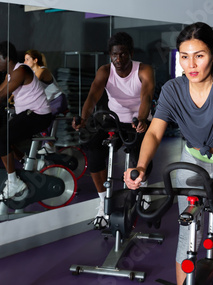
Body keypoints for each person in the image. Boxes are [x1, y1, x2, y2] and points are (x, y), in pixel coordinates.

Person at [123, 22, 213, 285]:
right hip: (193, 159)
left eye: (199, 55)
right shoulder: (173, 90)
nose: (191, 64)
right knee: (188, 231)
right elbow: (153, 133)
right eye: (185, 57)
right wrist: (140, 167)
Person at [72, 32, 155, 229]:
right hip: (115, 121)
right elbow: (93, 95)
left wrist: (142, 119)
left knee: (141, 156)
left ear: (131, 53)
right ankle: (103, 201)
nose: (119, 59)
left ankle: (143, 189)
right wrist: (83, 117)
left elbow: (147, 97)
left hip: (139, 120)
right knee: (93, 148)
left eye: (123, 54)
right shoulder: (105, 71)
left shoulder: (143, 70)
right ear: (110, 55)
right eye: (115, 55)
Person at [0, 41, 52, 200]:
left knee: (1, 138)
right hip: (28, 114)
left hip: (39, 115)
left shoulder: (21, 70)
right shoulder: (11, 74)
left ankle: (13, 181)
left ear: (7, 58)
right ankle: (25, 161)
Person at [24, 49, 69, 154]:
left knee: (40, 117)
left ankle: (49, 144)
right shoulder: (33, 73)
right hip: (49, 102)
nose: (25, 62)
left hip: (57, 100)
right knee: (36, 118)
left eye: (27, 59)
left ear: (35, 60)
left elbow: (31, 86)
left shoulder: (42, 70)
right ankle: (48, 145)